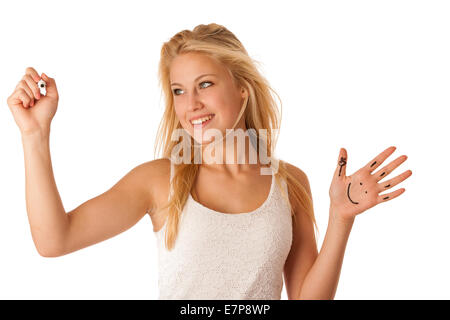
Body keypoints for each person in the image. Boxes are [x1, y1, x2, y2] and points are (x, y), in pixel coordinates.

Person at [6, 23, 412, 300]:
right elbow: (53, 240)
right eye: (179, 91)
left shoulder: (290, 183)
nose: (191, 105)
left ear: (242, 91)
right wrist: (34, 135)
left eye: (205, 84)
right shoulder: (160, 179)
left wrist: (341, 218)